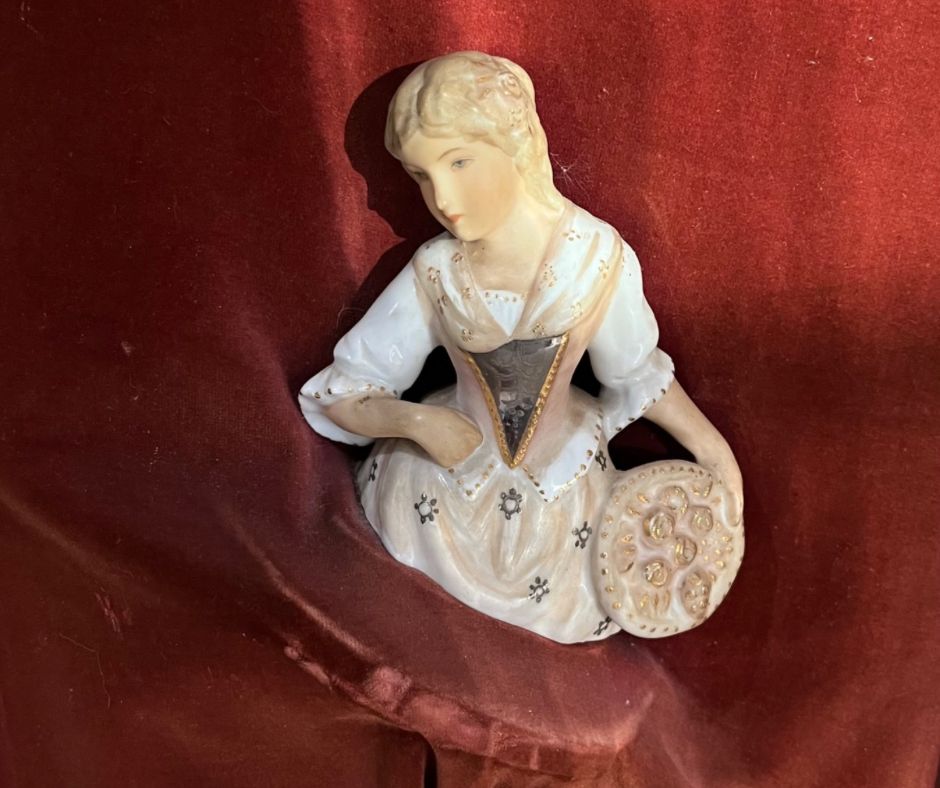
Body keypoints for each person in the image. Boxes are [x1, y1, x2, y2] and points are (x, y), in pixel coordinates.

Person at [299, 51, 743, 643]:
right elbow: (345, 391)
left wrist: (714, 455)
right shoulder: (437, 270)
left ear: (515, 144)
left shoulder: (596, 258)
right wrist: (418, 423)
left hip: (563, 503)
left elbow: (636, 374)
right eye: (421, 176)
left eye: (459, 162)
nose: (443, 197)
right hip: (436, 496)